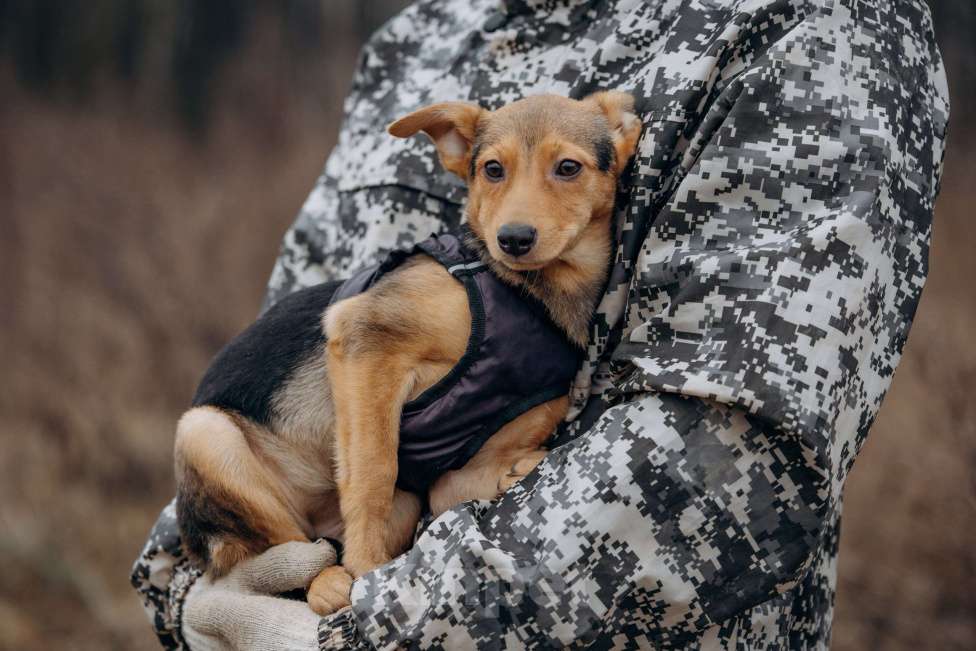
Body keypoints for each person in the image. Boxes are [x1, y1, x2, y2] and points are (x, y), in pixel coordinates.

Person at [131, 0, 949, 648]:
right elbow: (289, 345)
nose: (518, 217)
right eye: (496, 173)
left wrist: (355, 627)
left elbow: (730, 458)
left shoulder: (806, 21)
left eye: (564, 170)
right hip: (298, 521)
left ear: (614, 147)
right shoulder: (414, 37)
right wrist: (186, 592)